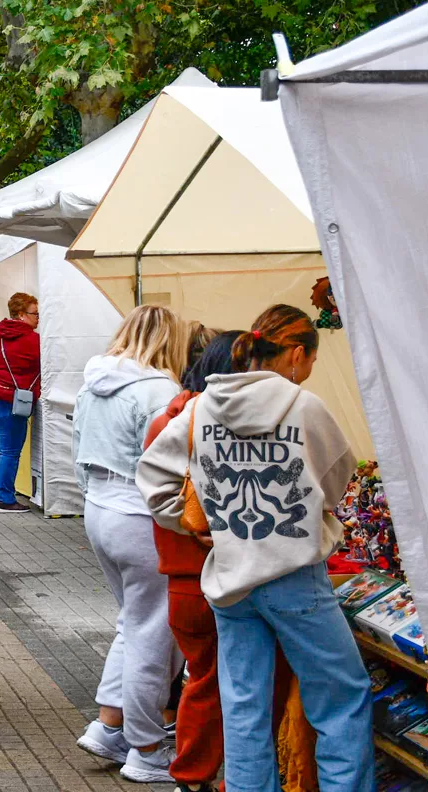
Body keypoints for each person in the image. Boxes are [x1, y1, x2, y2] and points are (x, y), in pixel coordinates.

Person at [139, 306, 373, 792]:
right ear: (296, 354)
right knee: (341, 696)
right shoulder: (305, 407)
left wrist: (192, 524)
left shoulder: (202, 408)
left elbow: (152, 479)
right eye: (312, 360)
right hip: (293, 574)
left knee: (243, 703)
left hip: (230, 576)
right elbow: (337, 481)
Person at [72, 304, 187, 782]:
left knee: (134, 624)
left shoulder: (92, 383)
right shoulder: (161, 390)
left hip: (99, 507)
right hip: (139, 515)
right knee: (152, 634)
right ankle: (146, 749)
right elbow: (167, 464)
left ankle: (109, 726)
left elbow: (77, 446)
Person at [133, 328, 237, 792]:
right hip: (208, 572)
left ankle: (193, 777)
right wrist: (203, 527)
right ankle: (204, 776)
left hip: (182, 574)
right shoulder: (201, 423)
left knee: (202, 678)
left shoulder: (170, 418)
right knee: (222, 681)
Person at [0, 293, 41, 514]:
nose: (38, 318)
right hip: (8, 400)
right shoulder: (33, 341)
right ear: (21, 314)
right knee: (10, 451)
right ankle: (5, 499)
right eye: (35, 313)